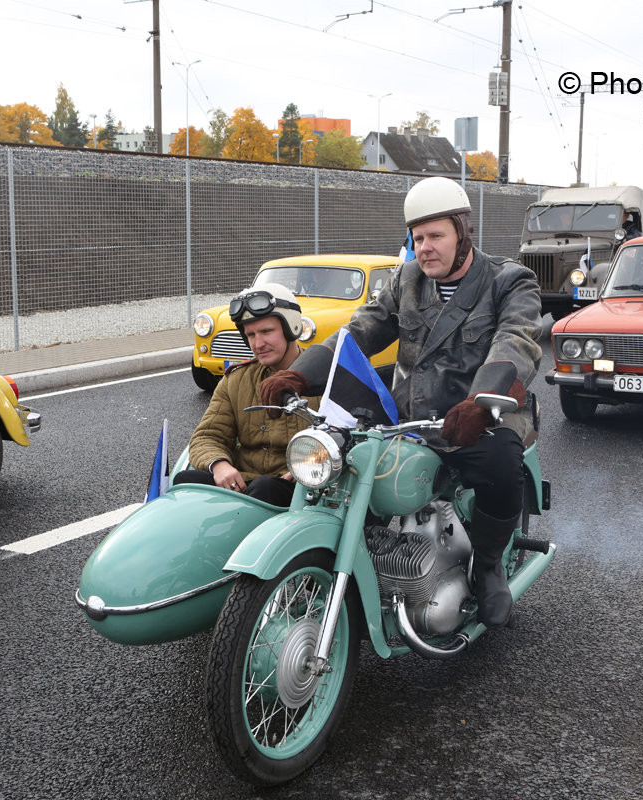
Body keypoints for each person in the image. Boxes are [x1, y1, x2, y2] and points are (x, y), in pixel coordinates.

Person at [259, 176, 546, 628]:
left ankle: (488, 565)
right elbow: (360, 331)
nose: (426, 247)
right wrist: (301, 372)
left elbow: (515, 342)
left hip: (484, 411)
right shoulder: (405, 280)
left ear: (462, 232)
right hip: (413, 412)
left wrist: (479, 402)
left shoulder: (509, 280)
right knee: (345, 461)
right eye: (418, 238)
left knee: (499, 465)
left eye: (436, 236)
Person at [171, 283, 318, 507]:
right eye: (251, 335)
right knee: (185, 483)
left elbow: (349, 437)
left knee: (266, 488)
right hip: (243, 483)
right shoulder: (236, 380)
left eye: (267, 332)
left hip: (303, 487)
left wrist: (304, 466)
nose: (258, 344)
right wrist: (220, 465)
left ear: (292, 327)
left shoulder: (325, 376)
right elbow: (206, 437)